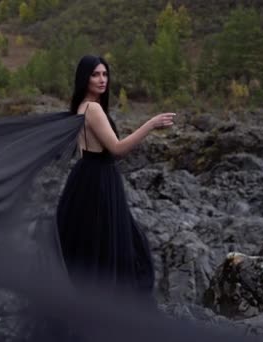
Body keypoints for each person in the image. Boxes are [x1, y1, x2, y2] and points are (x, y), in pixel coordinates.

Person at [56, 55, 176, 297]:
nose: (102, 80)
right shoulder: (93, 108)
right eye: (95, 75)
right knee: (115, 249)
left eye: (105, 74)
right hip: (99, 181)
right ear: (84, 78)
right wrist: (150, 124)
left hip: (85, 178)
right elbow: (118, 149)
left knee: (93, 248)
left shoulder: (81, 107)